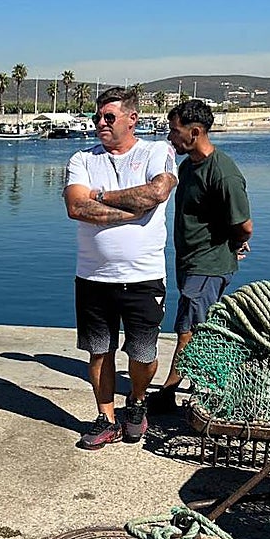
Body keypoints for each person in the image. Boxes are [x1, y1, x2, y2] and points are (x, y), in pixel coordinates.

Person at [63, 86, 177, 450]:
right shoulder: (82, 159)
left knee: (143, 354)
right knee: (99, 351)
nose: (100, 123)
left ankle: (138, 404)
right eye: (97, 117)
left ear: (133, 119)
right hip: (93, 277)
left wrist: (101, 197)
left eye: (109, 117)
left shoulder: (157, 152)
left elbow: (156, 194)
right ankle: (105, 417)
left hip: (143, 277)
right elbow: (76, 208)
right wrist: (130, 208)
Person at [151, 99, 253, 413]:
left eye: (175, 130)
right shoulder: (188, 166)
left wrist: (234, 245)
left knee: (188, 329)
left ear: (195, 132)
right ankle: (205, 388)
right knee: (199, 325)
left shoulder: (222, 173)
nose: (171, 136)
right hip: (191, 262)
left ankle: (169, 393)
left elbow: (244, 225)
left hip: (208, 265)